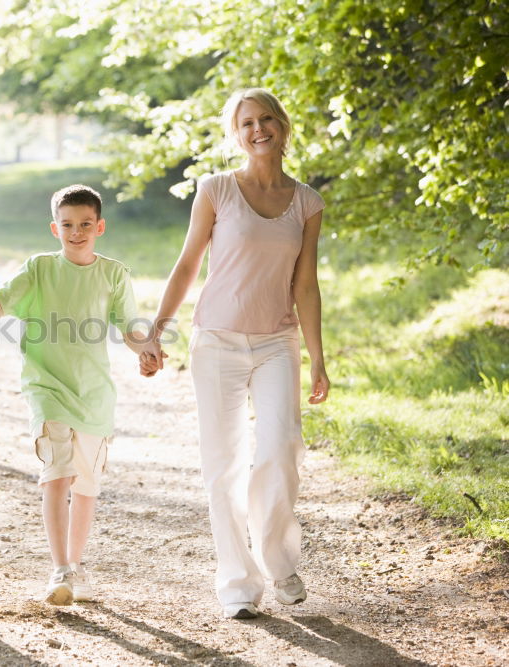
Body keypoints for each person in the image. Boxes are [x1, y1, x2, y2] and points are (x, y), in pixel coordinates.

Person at [144, 88, 330, 620]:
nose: (258, 129)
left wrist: (317, 357)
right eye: (247, 122)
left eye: (266, 119)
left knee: (281, 447)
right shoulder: (216, 189)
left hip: (277, 340)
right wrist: (158, 330)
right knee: (221, 463)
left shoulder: (307, 202)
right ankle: (237, 583)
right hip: (217, 341)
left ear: (283, 126)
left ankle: (277, 559)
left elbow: (307, 284)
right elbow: (186, 266)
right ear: (236, 133)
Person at [0, 184, 161, 605]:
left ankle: (75, 566)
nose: (75, 232)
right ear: (53, 228)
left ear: (99, 227)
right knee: (56, 475)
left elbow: (129, 325)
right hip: (46, 388)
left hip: (94, 395)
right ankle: (59, 568)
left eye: (84, 225)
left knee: (86, 486)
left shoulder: (114, 273)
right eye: (66, 225)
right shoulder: (40, 269)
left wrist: (146, 349)